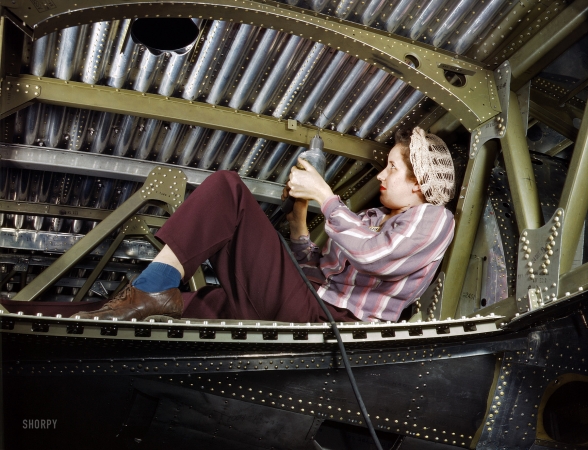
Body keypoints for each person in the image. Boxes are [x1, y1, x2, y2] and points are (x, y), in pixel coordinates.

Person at [72, 127, 455, 323]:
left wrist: (325, 195)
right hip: (308, 304)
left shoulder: (434, 218)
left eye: (392, 167)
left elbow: (377, 257)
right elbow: (316, 275)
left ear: (419, 181)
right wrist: (299, 224)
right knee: (193, 305)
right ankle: (42, 313)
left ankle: (149, 290)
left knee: (228, 188)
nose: (382, 176)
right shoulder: (370, 219)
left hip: (334, 325)